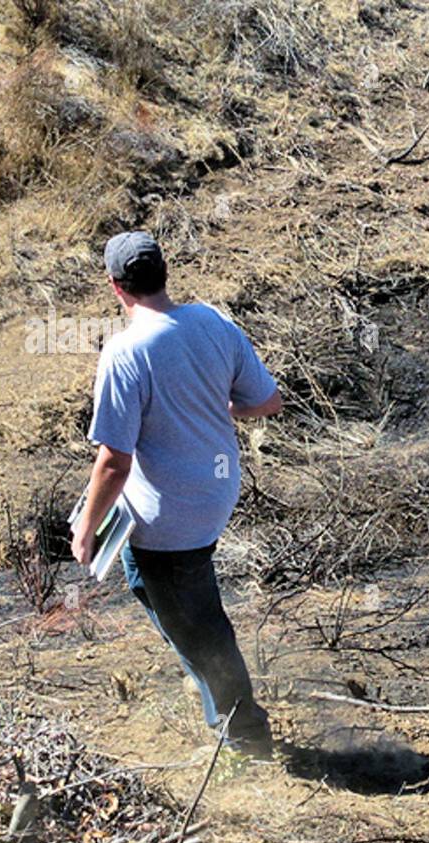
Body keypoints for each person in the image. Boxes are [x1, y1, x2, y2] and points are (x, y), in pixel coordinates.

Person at [71, 231, 284, 758]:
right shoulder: (211, 322)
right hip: (211, 493)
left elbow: (114, 462)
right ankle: (223, 708)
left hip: (171, 514)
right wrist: (220, 408)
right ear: (165, 273)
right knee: (159, 591)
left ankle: (245, 735)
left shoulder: (125, 352)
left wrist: (84, 530)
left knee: (199, 624)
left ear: (115, 287)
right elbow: (268, 401)